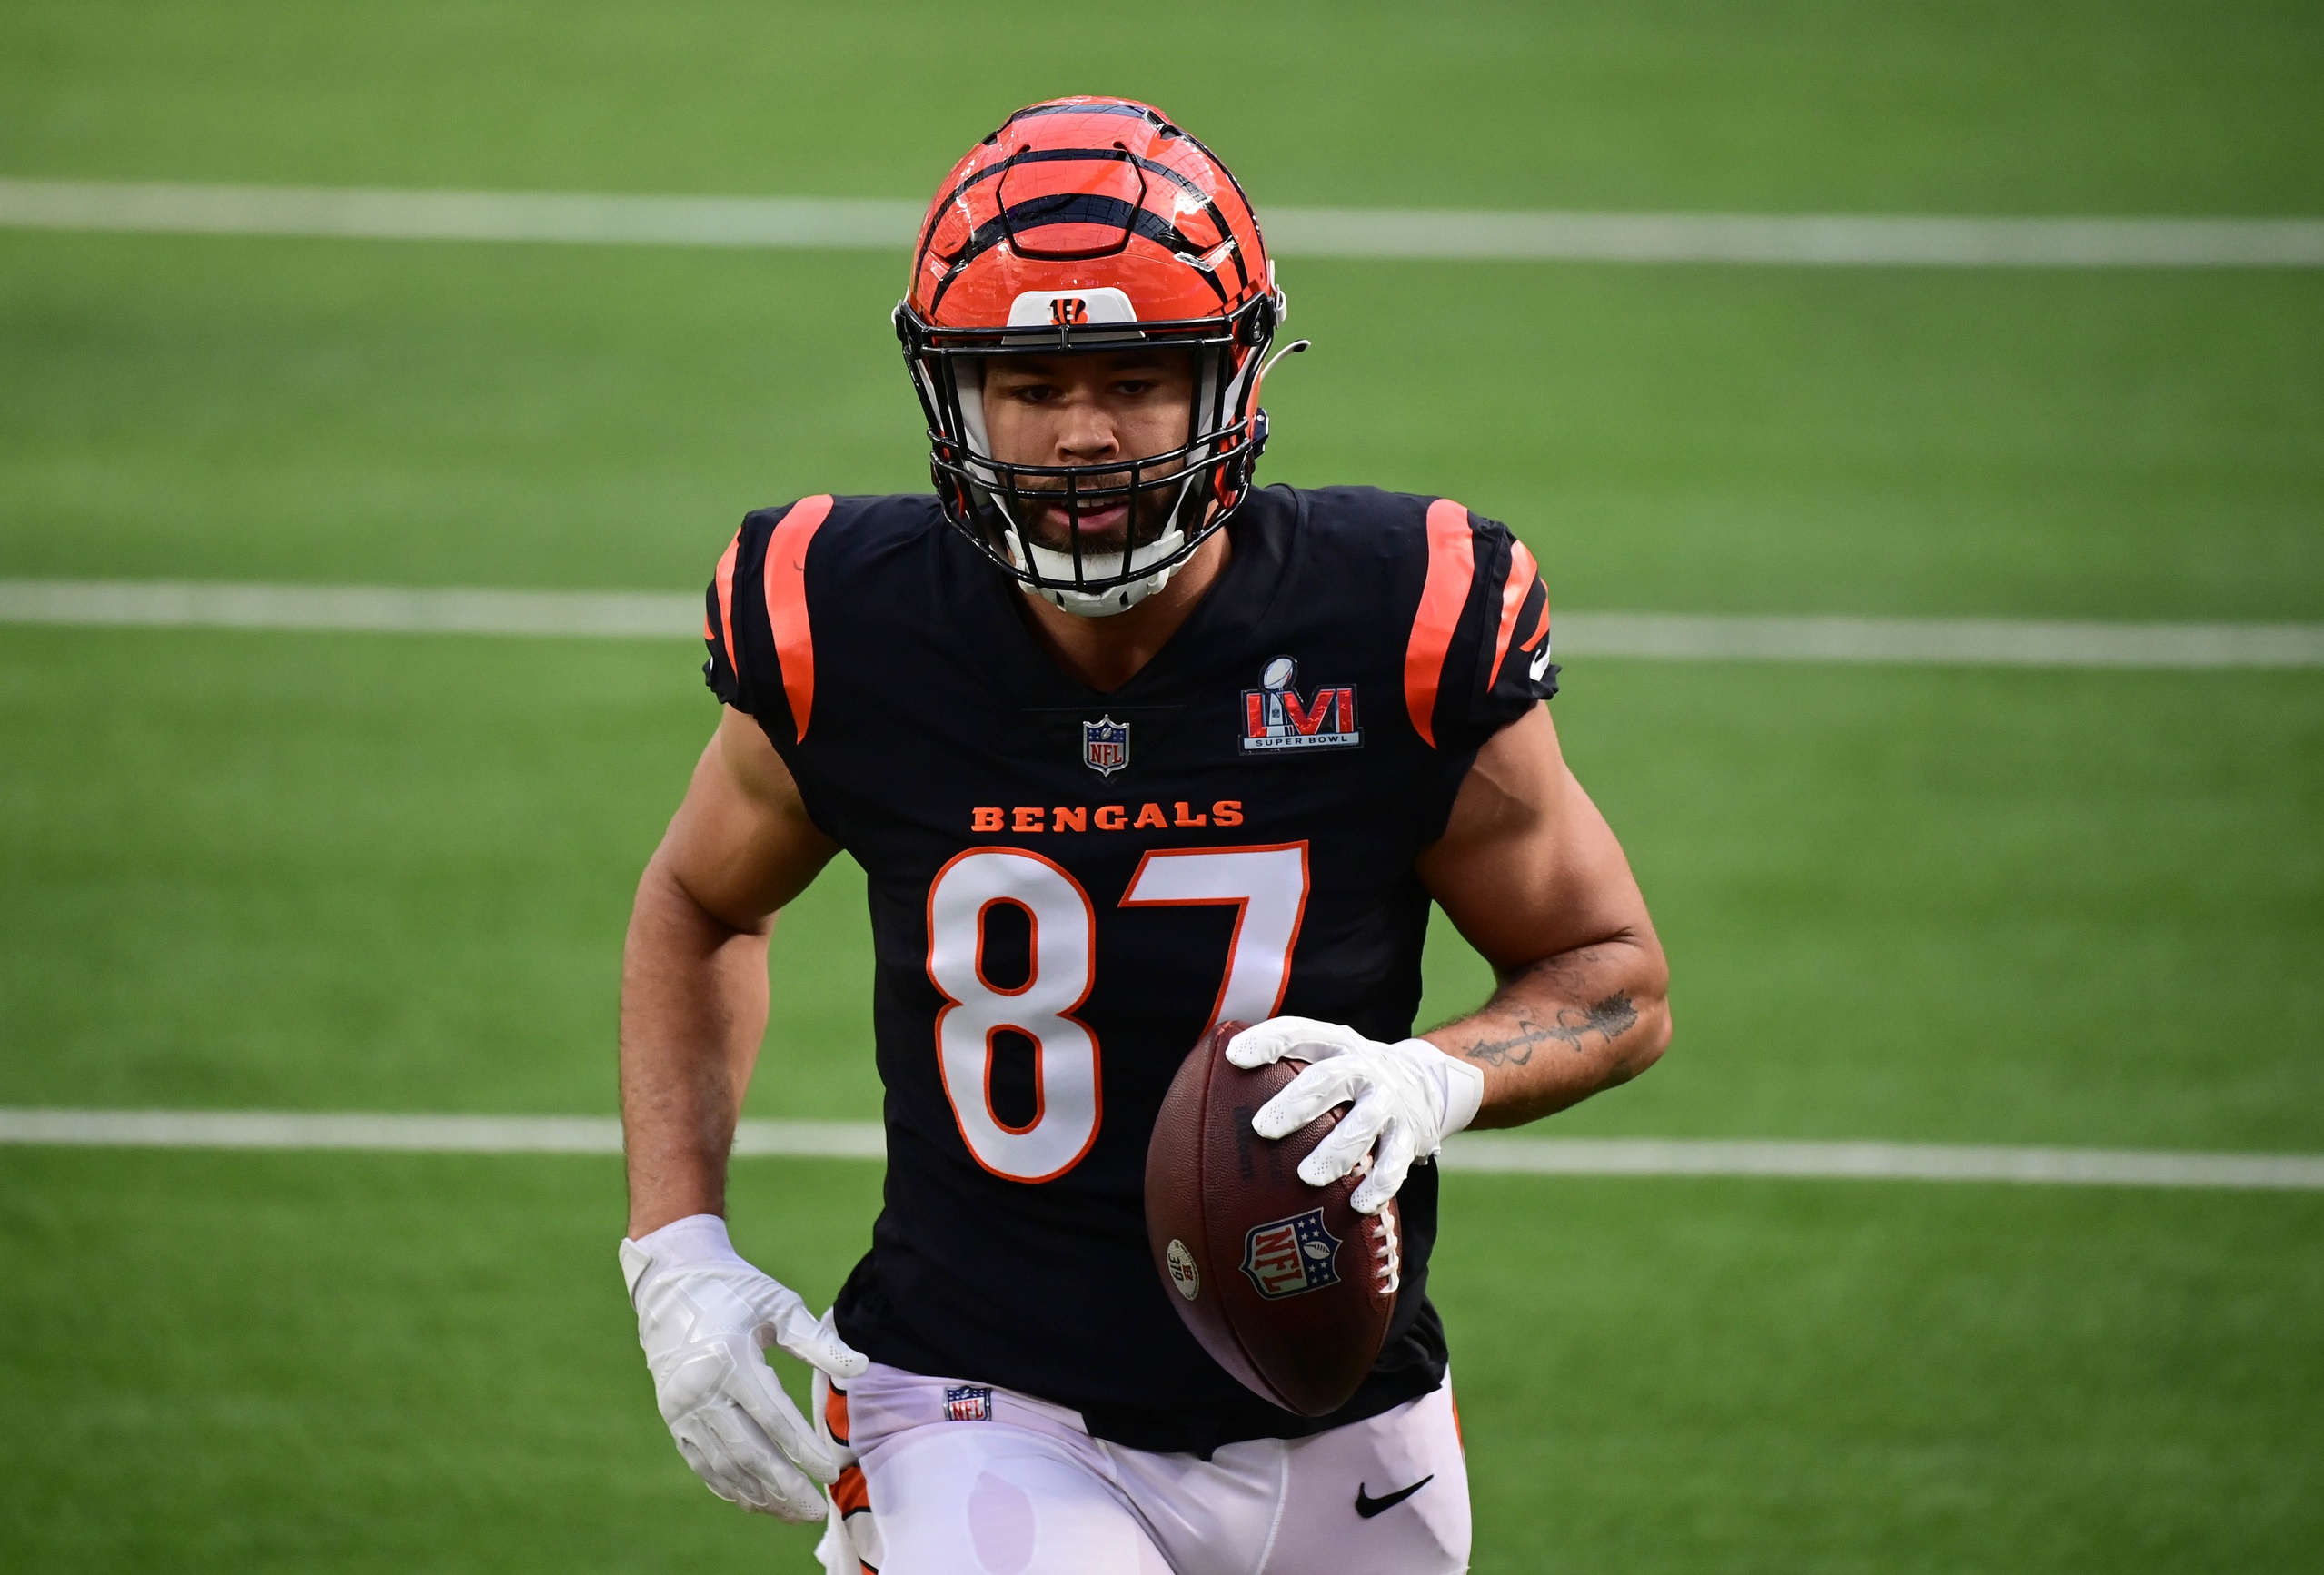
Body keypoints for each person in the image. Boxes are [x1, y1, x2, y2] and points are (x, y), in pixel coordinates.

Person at [616, 96, 1670, 1575]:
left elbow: (1612, 972)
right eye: (1028, 381)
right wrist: (677, 1248)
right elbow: (698, 902)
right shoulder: (843, 621)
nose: (1084, 433)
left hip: (1342, 1395)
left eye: (1136, 376)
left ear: (1233, 377)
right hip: (977, 1398)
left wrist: (1437, 1076)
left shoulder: (1397, 618)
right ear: (953, 398)